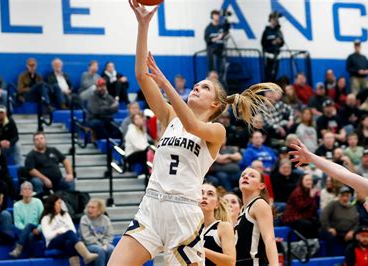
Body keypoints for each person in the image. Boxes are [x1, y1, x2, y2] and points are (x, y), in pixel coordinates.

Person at [109, 2, 281, 265]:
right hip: (151, 207)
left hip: (183, 213)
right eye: (196, 85)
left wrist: (165, 83)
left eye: (204, 88)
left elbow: (192, 126)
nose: (197, 88)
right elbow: (142, 76)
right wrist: (143, 26)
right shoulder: (169, 116)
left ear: (215, 104)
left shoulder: (216, 130)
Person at [236, 167, 278, 265]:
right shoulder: (242, 210)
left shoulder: (259, 204)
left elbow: (270, 239)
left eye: (252, 176)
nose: (246, 177)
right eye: (243, 175)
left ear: (261, 185)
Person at [41, 195, 98, 266]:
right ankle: (86, 255)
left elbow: (73, 230)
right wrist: (60, 231)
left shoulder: (65, 215)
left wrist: (64, 233)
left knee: (69, 243)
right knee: (69, 233)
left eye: (61, 203)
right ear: (53, 204)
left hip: (66, 239)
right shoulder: (46, 218)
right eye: (58, 203)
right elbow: (47, 236)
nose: (61, 205)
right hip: (52, 242)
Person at [200, 183, 236, 266]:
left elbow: (230, 262)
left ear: (217, 204)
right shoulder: (188, 227)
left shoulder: (223, 227)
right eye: (201, 193)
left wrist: (199, 249)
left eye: (210, 194)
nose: (204, 196)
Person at [320, 185, 359, 256]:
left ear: (350, 197)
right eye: (343, 196)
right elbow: (323, 216)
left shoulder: (353, 207)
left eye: (347, 196)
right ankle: (331, 259)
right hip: (335, 232)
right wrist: (329, 228)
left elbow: (357, 223)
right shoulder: (333, 204)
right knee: (329, 237)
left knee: (358, 238)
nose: (345, 198)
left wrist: (352, 231)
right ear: (339, 196)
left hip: (348, 233)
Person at [9, 182, 44, 258]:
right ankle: (31, 256)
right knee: (30, 234)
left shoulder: (38, 202)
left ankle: (18, 249)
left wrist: (38, 229)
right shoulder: (17, 205)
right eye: (25, 189)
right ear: (21, 192)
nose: (27, 190)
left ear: (32, 191)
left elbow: (43, 220)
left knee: (30, 227)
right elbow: (17, 223)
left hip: (37, 229)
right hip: (24, 231)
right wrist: (27, 230)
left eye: (29, 189)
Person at [281, 174, 320, 238]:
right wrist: (311, 197)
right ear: (302, 181)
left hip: (303, 216)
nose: (309, 182)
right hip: (292, 218)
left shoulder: (310, 191)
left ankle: (313, 244)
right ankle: (306, 244)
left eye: (310, 180)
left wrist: (312, 198)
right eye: (307, 180)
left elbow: (314, 209)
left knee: (317, 223)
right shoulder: (297, 191)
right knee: (307, 225)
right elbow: (301, 206)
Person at [79, 198, 115, 266]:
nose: (90, 210)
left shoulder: (105, 219)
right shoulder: (84, 219)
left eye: (93, 208)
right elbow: (87, 237)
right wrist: (101, 245)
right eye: (89, 207)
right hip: (88, 244)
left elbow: (109, 235)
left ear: (99, 209)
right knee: (100, 250)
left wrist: (105, 244)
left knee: (111, 248)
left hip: (103, 243)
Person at [261, 11, 284, 82]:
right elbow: (263, 43)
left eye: (276, 20)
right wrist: (272, 42)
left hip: (276, 56)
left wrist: (280, 42)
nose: (275, 21)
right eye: (273, 20)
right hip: (268, 56)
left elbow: (282, 43)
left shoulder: (278, 31)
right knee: (268, 75)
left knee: (274, 75)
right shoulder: (266, 31)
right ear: (270, 20)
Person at [204, 10, 225, 76]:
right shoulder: (208, 28)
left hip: (221, 52)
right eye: (215, 15)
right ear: (212, 16)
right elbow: (207, 40)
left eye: (218, 15)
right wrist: (217, 38)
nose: (217, 16)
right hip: (212, 53)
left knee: (221, 71)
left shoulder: (221, 27)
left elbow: (225, 36)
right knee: (213, 72)